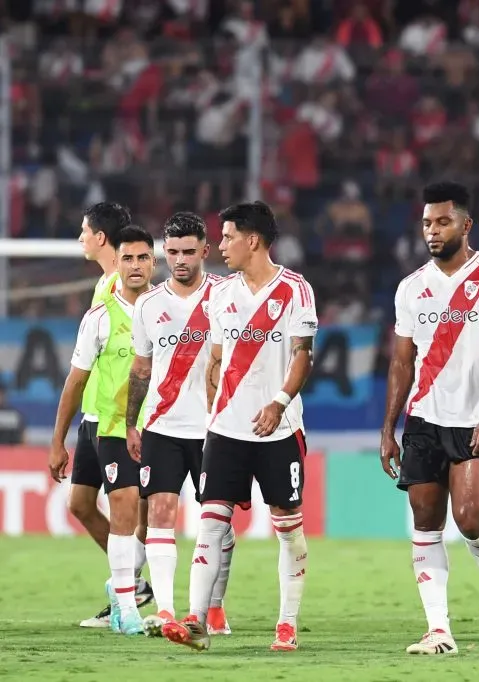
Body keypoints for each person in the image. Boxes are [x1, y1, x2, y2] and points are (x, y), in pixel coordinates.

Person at [161, 201, 317, 653]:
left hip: (279, 429)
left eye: (228, 237)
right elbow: (214, 359)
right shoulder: (221, 294)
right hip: (227, 431)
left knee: (288, 527)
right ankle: (196, 620)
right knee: (211, 523)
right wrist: (215, 415)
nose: (221, 245)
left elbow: (303, 354)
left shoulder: (295, 290)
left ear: (253, 240)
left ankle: (286, 623)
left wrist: (279, 401)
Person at [380, 181, 479, 655]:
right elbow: (401, 362)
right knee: (425, 519)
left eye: (442, 222)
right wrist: (389, 429)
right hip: (423, 419)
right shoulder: (411, 287)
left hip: (473, 419)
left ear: (466, 224)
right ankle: (439, 629)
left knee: (471, 515)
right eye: (426, 223)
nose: (432, 232)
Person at [124, 212, 235, 637]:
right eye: (172, 252)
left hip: (217, 428)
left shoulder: (227, 295)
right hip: (163, 426)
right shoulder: (149, 305)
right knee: (160, 512)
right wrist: (131, 423)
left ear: (206, 251)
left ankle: (214, 606)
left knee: (217, 523)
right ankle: (168, 612)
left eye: (189, 251)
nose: (181, 260)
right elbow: (141, 367)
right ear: (162, 253)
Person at [49, 225, 156, 634]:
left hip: (145, 426)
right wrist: (57, 440)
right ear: (120, 260)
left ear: (152, 261)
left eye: (142, 258)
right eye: (127, 258)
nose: (133, 266)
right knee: (91, 505)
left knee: (135, 507)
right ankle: (127, 596)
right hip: (102, 423)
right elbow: (76, 379)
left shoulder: (166, 311)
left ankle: (129, 597)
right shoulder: (101, 311)